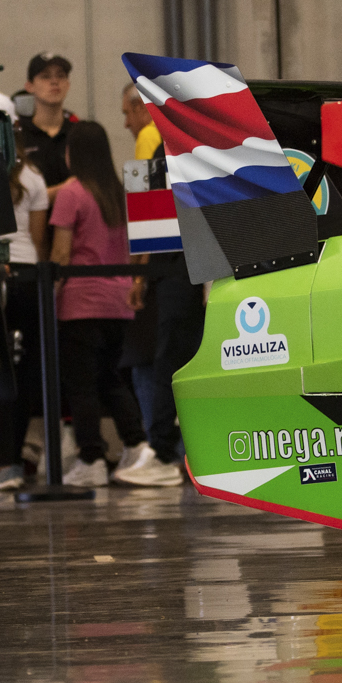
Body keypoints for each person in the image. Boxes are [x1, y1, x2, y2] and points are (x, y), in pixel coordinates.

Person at [49, 122, 167, 488]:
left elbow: (61, 254)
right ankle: (136, 444)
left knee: (82, 385)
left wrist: (48, 294)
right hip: (119, 303)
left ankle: (91, 458)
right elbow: (137, 247)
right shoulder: (119, 193)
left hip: (80, 302)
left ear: (72, 153)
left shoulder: (71, 193)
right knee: (111, 380)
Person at [118, 84, 193, 486]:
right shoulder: (166, 152)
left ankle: (164, 452)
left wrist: (140, 276)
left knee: (169, 361)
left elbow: (148, 223)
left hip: (183, 271)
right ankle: (168, 450)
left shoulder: (169, 148)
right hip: (175, 270)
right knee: (172, 360)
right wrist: (141, 277)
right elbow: (150, 220)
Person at [0, 140, 52, 492]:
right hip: (29, 277)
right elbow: (38, 238)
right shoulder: (33, 175)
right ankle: (14, 461)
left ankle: (4, 464)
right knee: (24, 372)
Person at [16, 52, 78, 190]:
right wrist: (62, 191)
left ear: (68, 84)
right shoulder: (18, 135)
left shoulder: (79, 133)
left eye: (60, 76)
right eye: (45, 76)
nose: (54, 81)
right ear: (29, 86)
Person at [122, 80, 162, 161]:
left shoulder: (148, 136)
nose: (126, 124)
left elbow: (145, 169)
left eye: (127, 113)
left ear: (139, 106)